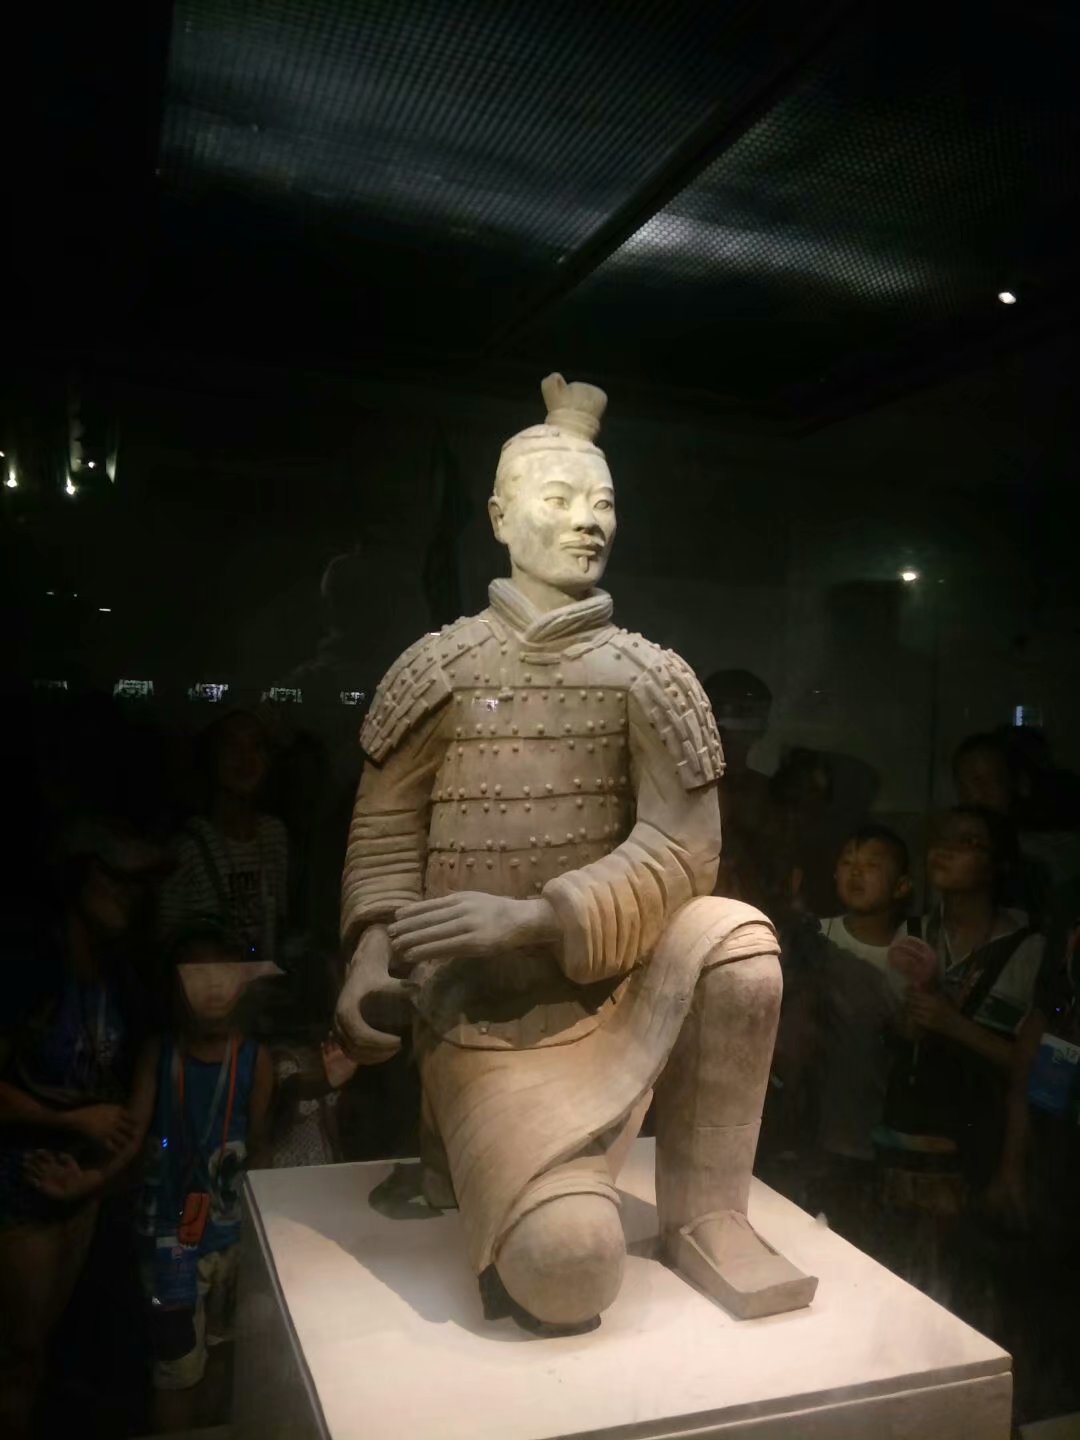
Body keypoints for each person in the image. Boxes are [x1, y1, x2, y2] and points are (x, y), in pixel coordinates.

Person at [335, 373, 815, 1332]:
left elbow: (685, 849)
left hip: (607, 991)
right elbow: (387, 832)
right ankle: (481, 1164)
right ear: (499, 517)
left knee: (740, 942)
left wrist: (534, 917)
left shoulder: (651, 675)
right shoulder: (437, 668)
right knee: (569, 1271)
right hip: (481, 1016)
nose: (588, 522)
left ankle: (710, 1214)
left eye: (603, 503)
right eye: (559, 500)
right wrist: (370, 953)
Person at [0, 819, 166, 1440]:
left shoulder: (125, 979)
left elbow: (137, 1102)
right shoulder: (31, 968)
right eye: (114, 876)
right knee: (18, 1358)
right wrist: (71, 1118)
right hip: (20, 1183)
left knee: (48, 1356)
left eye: (137, 882)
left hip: (84, 1185)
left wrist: (96, 1177)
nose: (128, 893)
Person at [874, 806, 1044, 1311]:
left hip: (979, 1145)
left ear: (998, 863)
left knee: (965, 1292)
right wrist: (908, 1024)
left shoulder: (1027, 947)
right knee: (898, 1280)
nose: (944, 849)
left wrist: (952, 1024)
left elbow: (1030, 1066)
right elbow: (890, 1036)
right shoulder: (913, 932)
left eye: (967, 841)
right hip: (908, 1137)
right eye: (940, 838)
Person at [138, 920, 273, 1433]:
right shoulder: (161, 1053)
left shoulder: (254, 1058)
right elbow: (130, 1135)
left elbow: (259, 1147)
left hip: (232, 1237)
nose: (213, 988)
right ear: (176, 987)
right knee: (176, 1372)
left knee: (223, 1351)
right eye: (197, 976)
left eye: (223, 974)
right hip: (169, 1241)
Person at [808, 826, 912, 1244]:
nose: (856, 872)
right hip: (815, 1124)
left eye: (872, 865)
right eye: (848, 862)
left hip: (876, 1131)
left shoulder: (912, 952)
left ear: (902, 885)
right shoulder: (814, 936)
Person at [160, 710, 289, 968]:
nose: (246, 759)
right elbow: (166, 945)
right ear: (211, 756)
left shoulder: (274, 834)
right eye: (232, 746)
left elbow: (280, 924)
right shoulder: (187, 846)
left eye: (256, 746)